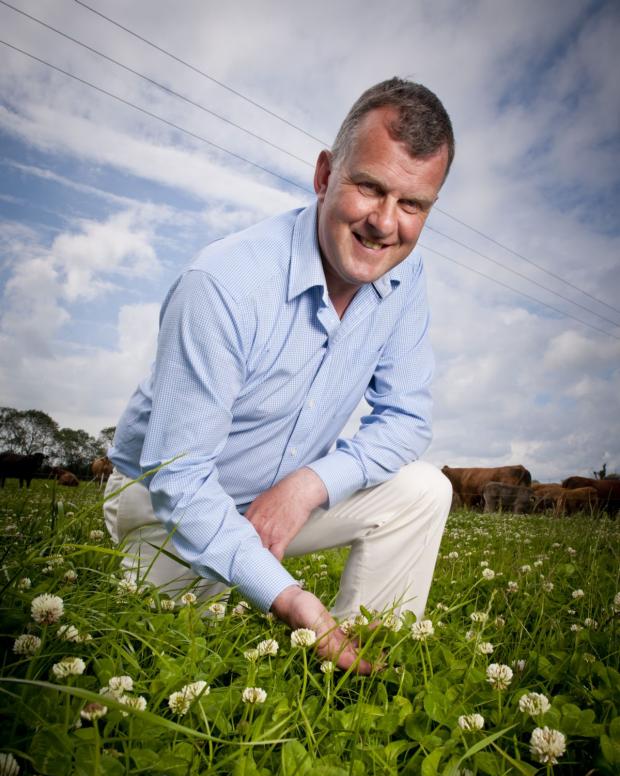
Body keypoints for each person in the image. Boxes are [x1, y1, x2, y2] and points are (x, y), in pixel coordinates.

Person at [105, 77, 455, 673]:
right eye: (369, 187)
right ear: (324, 176)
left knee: (426, 490)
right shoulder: (225, 283)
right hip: (167, 500)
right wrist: (288, 596)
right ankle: (284, 614)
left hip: (283, 500)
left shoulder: (405, 278)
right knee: (174, 658)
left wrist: (308, 486)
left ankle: (357, 669)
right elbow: (180, 476)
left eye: (412, 204)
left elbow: (407, 419)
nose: (385, 223)